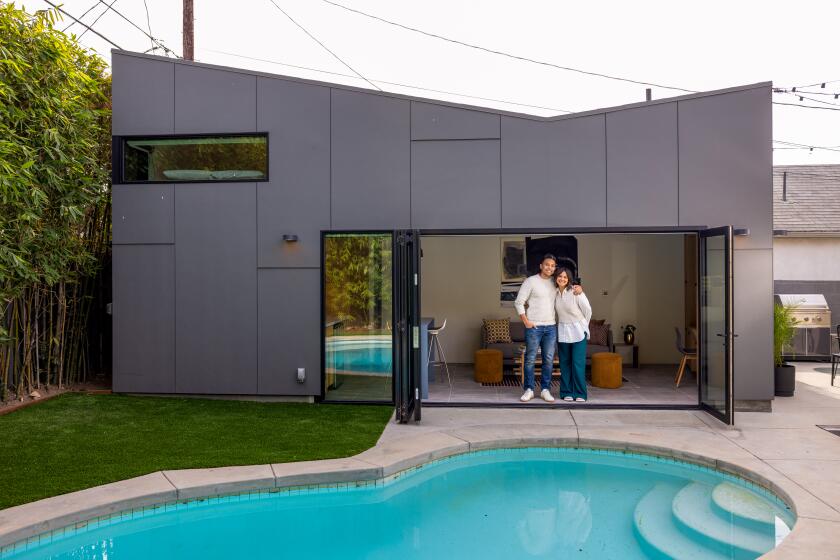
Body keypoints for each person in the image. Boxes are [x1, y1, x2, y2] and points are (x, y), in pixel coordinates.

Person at [514, 255, 582, 402]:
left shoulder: (555, 282)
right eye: (547, 265)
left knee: (549, 360)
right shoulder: (530, 281)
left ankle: (545, 390)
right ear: (541, 265)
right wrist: (526, 321)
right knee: (530, 359)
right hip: (534, 326)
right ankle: (529, 389)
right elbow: (519, 302)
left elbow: (569, 287)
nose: (549, 268)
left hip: (551, 327)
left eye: (552, 266)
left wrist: (579, 288)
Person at [554, 267, 591, 402]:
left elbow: (588, 310)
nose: (562, 279)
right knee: (565, 363)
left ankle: (580, 393)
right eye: (560, 276)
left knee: (577, 363)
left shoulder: (576, 291)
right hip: (563, 331)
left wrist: (583, 326)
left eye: (565, 277)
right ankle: (566, 392)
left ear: (569, 279)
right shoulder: (555, 293)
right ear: (556, 278)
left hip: (578, 331)